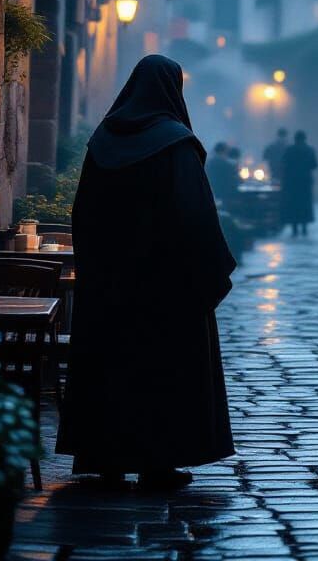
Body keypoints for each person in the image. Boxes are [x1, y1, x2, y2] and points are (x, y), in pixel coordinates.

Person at [56, 55, 235, 489]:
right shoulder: (175, 144)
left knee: (110, 369)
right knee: (161, 371)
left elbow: (84, 213)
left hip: (109, 285)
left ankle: (107, 460)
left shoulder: (103, 142)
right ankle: (158, 463)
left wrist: (99, 267)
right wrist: (209, 270)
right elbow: (194, 217)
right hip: (165, 288)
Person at [280, 130, 317, 235]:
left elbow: (284, 164)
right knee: (304, 205)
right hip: (305, 182)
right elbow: (314, 165)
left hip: (292, 183)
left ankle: (294, 228)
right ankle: (304, 227)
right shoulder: (309, 150)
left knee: (293, 205)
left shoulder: (289, 150)